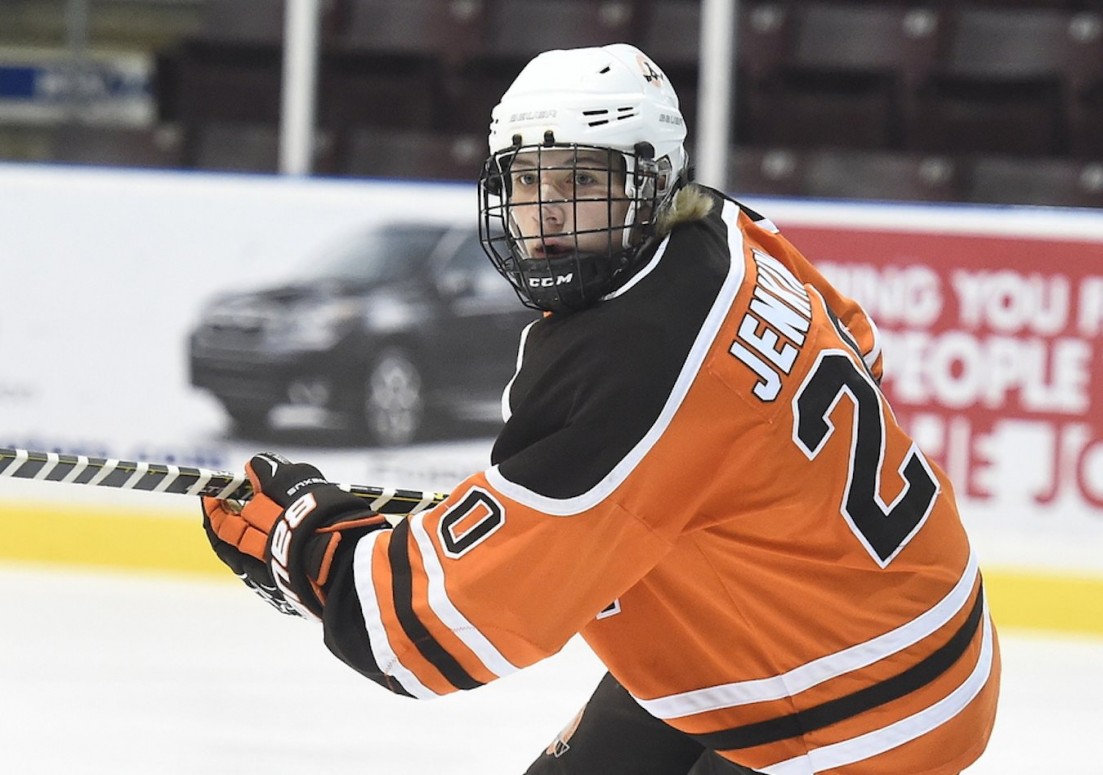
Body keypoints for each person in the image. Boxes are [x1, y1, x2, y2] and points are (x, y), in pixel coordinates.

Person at [202, 43, 1000, 774]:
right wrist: (704, 509)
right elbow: (853, 345)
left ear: (648, 181)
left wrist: (304, 544)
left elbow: (430, 631)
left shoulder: (629, 361)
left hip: (867, 711)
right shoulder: (718, 227)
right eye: (525, 181)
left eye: (581, 181)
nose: (547, 213)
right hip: (894, 622)